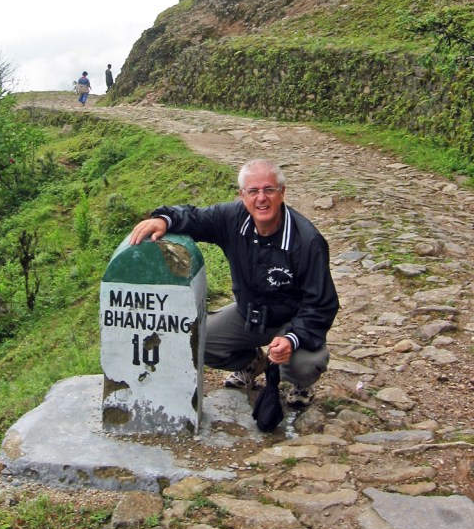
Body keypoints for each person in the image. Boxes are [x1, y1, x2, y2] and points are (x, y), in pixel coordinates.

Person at [129, 159, 339, 407]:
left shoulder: (307, 241)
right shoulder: (232, 218)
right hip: (250, 313)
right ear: (242, 195)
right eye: (253, 191)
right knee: (198, 340)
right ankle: (252, 363)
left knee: (303, 364)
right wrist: (164, 220)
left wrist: (292, 338)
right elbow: (196, 218)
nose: (261, 198)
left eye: (269, 190)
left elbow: (321, 304)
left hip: (292, 320)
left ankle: (301, 382)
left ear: (282, 192)